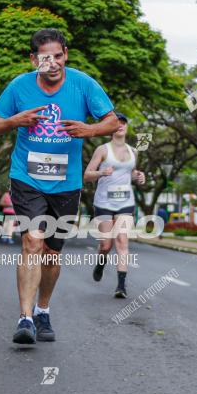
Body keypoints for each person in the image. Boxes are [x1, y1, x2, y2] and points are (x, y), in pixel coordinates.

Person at [0, 28, 119, 344]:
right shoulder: (19, 87)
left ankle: (43, 310)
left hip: (66, 182)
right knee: (32, 242)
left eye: (59, 56)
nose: (54, 63)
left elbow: (112, 122)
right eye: (46, 58)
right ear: (34, 59)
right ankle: (25, 318)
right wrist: (13, 121)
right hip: (27, 177)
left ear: (65, 55)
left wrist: (89, 129)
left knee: (50, 253)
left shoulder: (83, 84)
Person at [83, 112, 146, 298]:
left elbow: (133, 173)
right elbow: (87, 175)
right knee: (105, 245)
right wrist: (102, 173)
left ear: (127, 127)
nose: (120, 125)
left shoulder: (133, 151)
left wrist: (140, 176)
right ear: (110, 127)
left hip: (125, 202)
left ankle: (121, 286)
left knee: (122, 242)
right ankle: (100, 263)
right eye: (116, 122)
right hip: (103, 202)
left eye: (124, 122)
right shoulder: (102, 150)